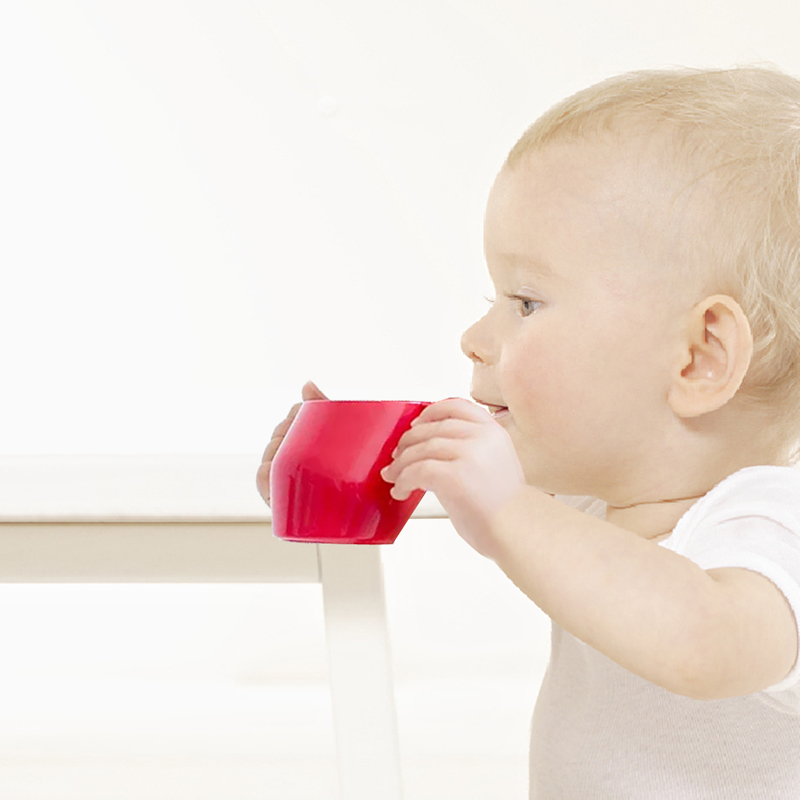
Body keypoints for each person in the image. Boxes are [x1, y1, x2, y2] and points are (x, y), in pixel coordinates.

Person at [257, 66, 800, 798]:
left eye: (525, 302)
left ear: (698, 356)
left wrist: (509, 510)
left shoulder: (767, 522)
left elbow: (703, 643)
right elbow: (474, 491)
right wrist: (329, 466)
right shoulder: (585, 503)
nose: (473, 337)